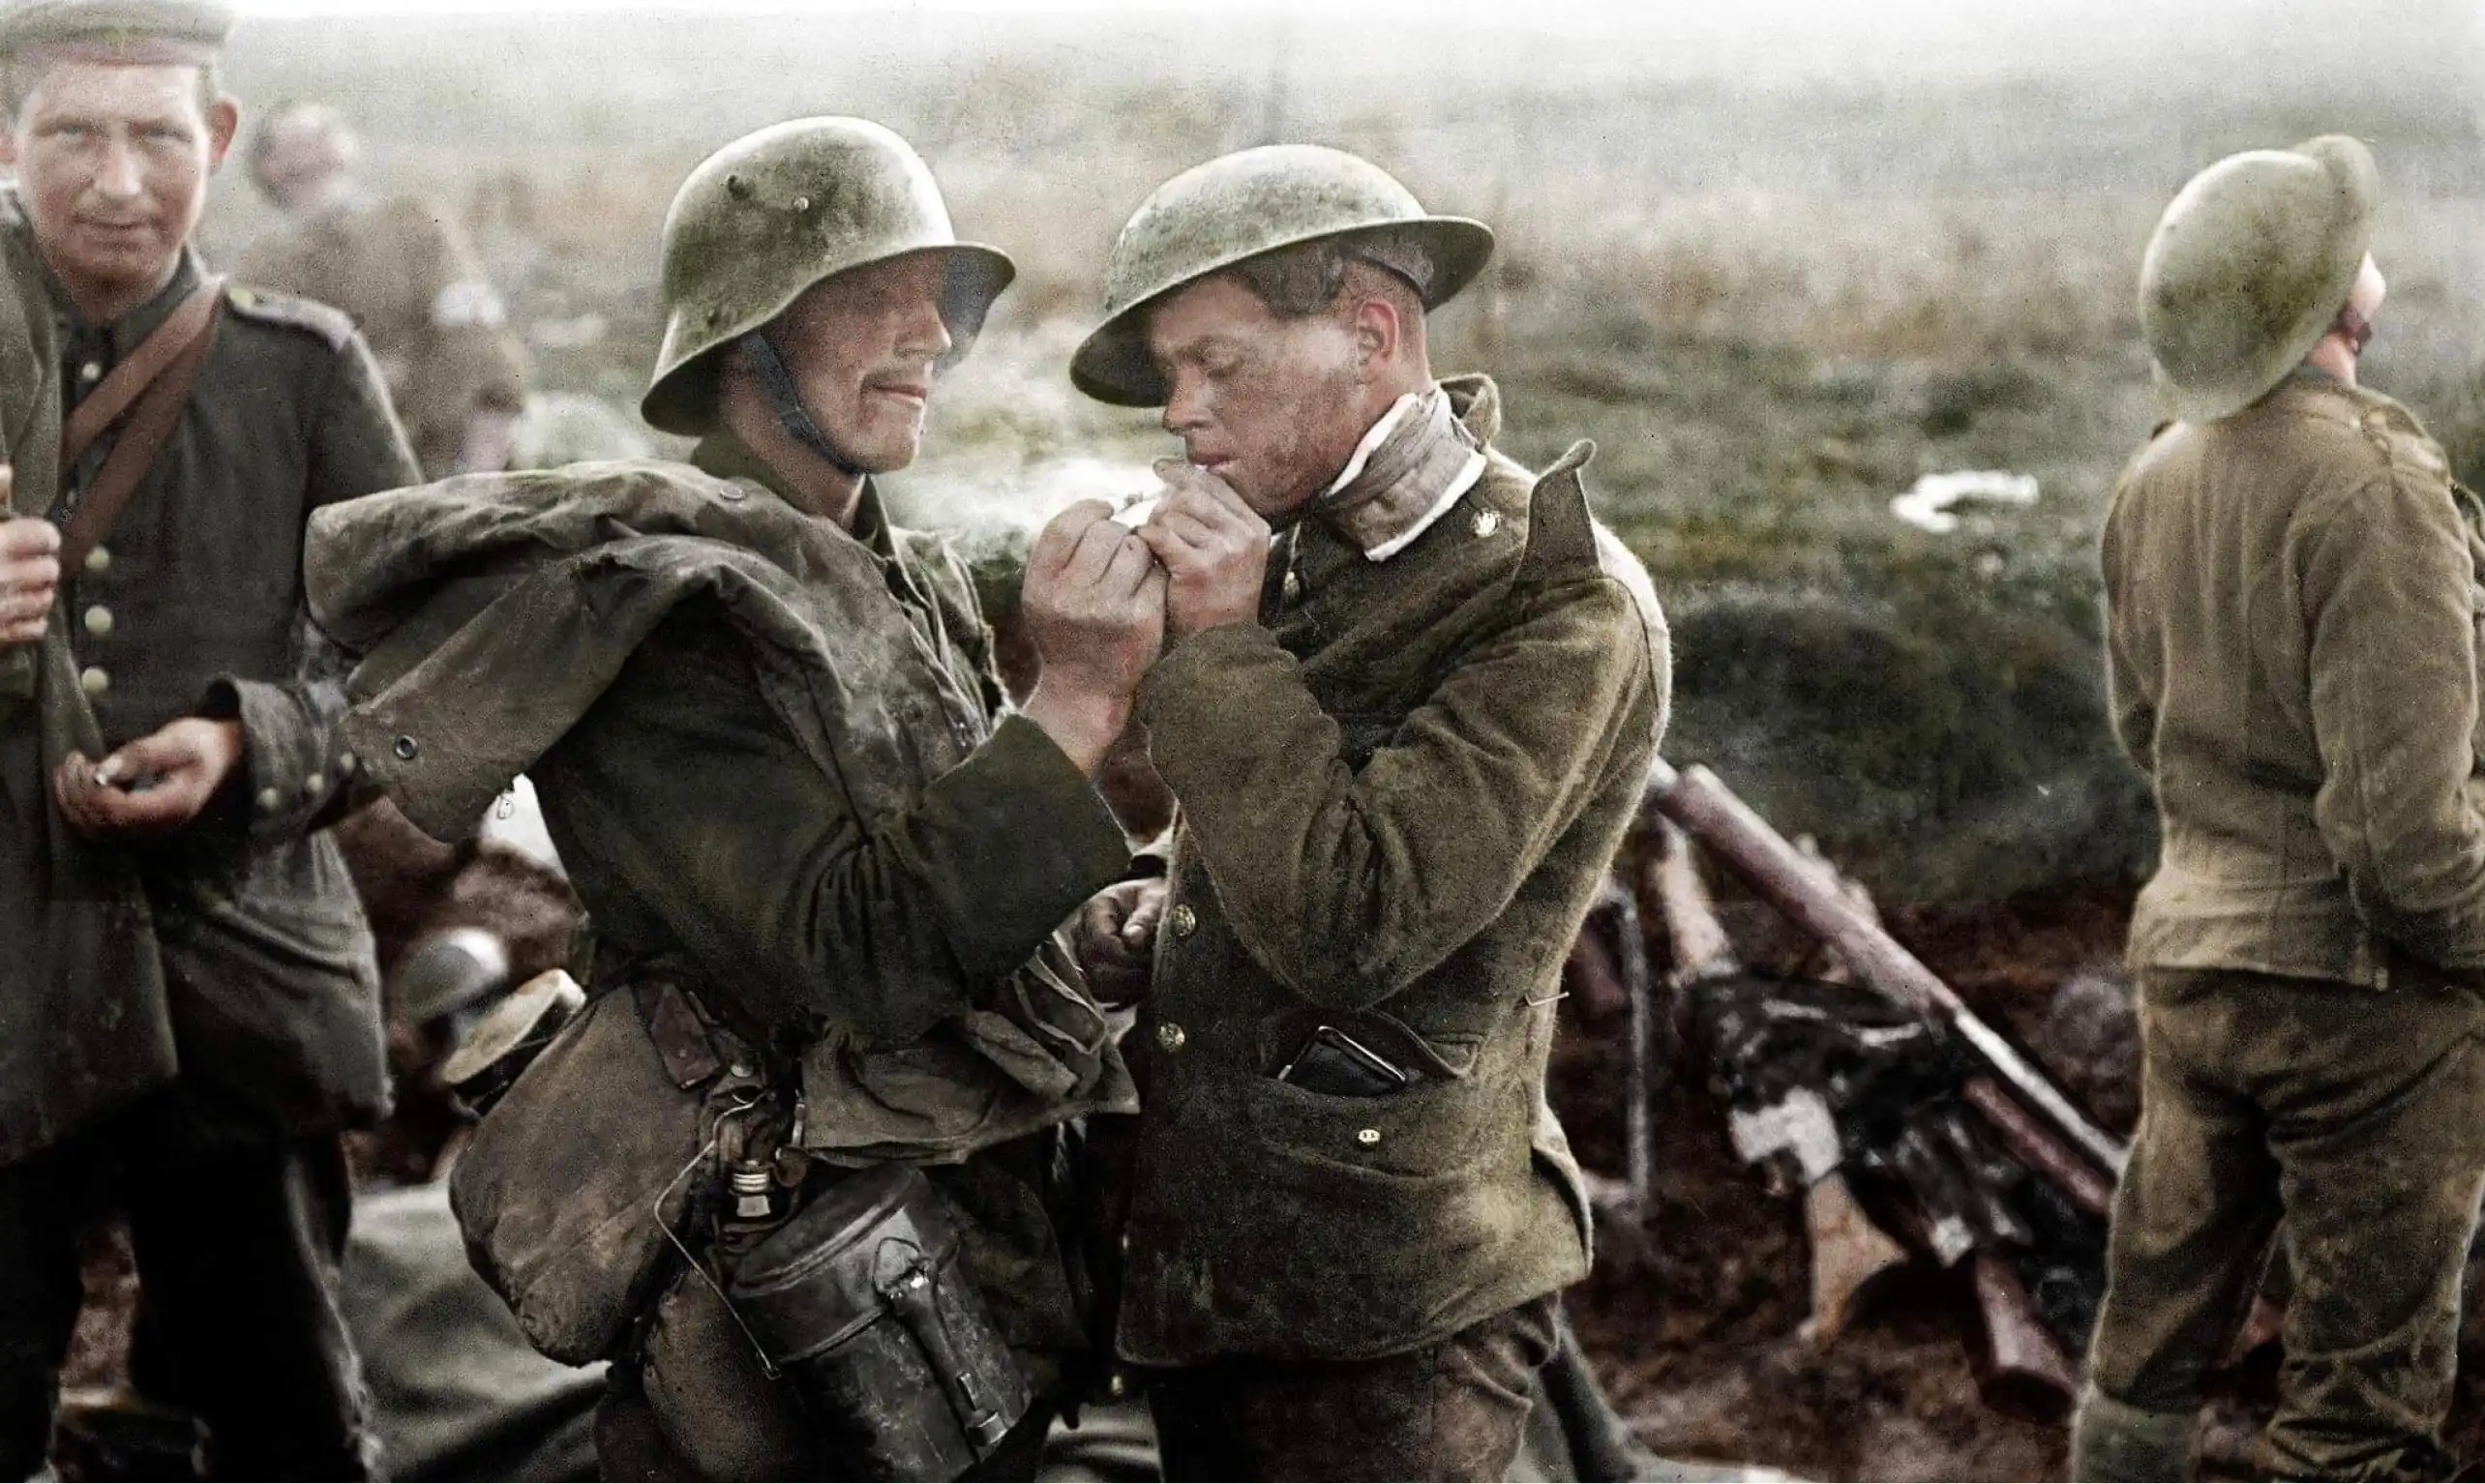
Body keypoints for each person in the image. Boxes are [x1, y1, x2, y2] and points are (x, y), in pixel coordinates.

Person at [303, 116, 1161, 1481]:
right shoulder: (663, 612)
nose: (929, 334)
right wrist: (1073, 704)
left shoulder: (896, 578)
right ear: (745, 339)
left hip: (972, 1280)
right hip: (793, 1324)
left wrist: (1085, 931)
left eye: (937, 299)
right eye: (873, 296)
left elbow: (953, 884)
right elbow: (858, 951)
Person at [1065, 143, 1670, 1481]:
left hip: (1385, 1325)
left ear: (1370, 332)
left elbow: (1361, 920)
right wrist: (1169, 910)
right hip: (1221, 1278)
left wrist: (1218, 646)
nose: (1178, 414)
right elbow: (1276, 827)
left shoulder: (1556, 602)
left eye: (1215, 364)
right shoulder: (1298, 544)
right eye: (1171, 376)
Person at [0, 0, 422, 1475]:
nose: (119, 180)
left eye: (157, 136)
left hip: (236, 994)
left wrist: (257, 746)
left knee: (289, 1421)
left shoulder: (301, 370)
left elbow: (420, 669)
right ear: (5, 137)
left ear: (220, 143)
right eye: (72, 133)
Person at [2074, 134, 2485, 1482]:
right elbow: (2408, 848)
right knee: (2359, 1408)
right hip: (2361, 1005)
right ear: (2326, 304)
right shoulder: (2375, 488)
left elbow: (2149, 732)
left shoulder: (2156, 476)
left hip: (2193, 972)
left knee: (2144, 1359)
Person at [236, 100, 527, 478]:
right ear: (269, 166)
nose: (319, 143)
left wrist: (477, 474)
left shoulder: (415, 223)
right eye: (299, 136)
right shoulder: (261, 268)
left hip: (444, 458)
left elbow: (479, 339)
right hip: (329, 476)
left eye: (327, 129)